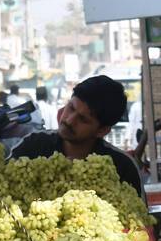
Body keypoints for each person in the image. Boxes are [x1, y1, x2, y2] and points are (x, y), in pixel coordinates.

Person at [10, 75, 144, 198]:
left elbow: (139, 220)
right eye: (71, 108)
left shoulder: (123, 168)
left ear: (102, 130)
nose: (69, 120)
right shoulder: (32, 146)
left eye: (83, 119)